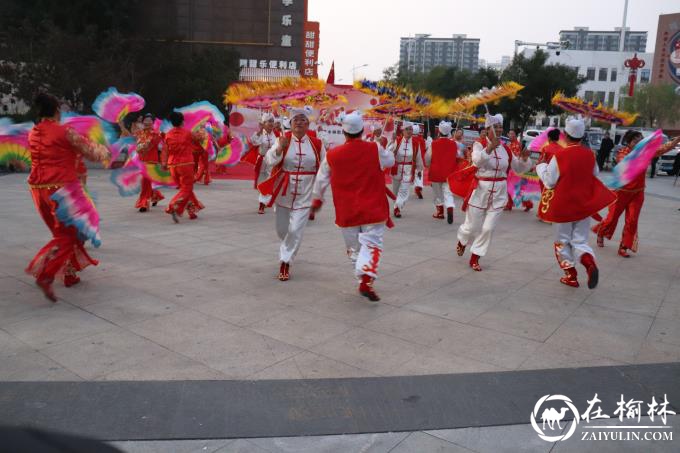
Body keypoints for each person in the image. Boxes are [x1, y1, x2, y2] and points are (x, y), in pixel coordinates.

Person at [25, 93, 110, 301]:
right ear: (56, 111)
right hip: (61, 191)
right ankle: (46, 274)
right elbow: (91, 152)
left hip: (38, 190)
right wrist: (105, 150)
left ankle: (69, 273)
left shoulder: (33, 133)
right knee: (67, 236)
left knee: (61, 234)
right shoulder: (65, 132)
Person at [311, 111, 394, 301]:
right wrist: (383, 147)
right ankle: (366, 279)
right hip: (374, 207)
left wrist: (317, 200)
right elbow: (390, 161)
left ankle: (363, 278)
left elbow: (321, 178)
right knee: (372, 245)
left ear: (344, 131)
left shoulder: (333, 154)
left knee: (355, 249)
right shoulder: (374, 148)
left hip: (347, 210)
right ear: (362, 129)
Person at [536, 118, 616, 289]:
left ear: (565, 135)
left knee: (562, 241)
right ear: (582, 136)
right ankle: (589, 264)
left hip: (563, 205)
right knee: (580, 241)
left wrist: (541, 168)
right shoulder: (590, 155)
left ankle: (571, 275)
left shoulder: (560, 155)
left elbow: (550, 182)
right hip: (583, 205)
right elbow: (595, 173)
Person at [456, 114, 532, 271]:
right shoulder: (479, 145)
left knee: (488, 228)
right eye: (495, 127)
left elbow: (517, 168)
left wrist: (524, 160)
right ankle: (462, 240)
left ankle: (475, 257)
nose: (498, 130)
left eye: (500, 127)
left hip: (499, 192)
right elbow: (477, 161)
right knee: (472, 227)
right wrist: (489, 148)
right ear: (487, 129)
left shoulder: (506, 149)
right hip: (481, 189)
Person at [261, 108, 325, 281]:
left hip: (306, 192)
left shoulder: (317, 143)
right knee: (282, 230)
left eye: (303, 119)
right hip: (284, 190)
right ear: (290, 123)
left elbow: (324, 169)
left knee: (296, 229)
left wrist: (319, 193)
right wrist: (279, 149)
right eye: (295, 119)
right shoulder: (282, 139)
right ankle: (288, 247)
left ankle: (285, 261)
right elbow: (269, 160)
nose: (299, 122)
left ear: (308, 123)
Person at [593, 131, 680, 257]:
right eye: (635, 141)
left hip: (637, 193)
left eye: (640, 140)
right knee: (612, 218)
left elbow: (663, 148)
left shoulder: (646, 152)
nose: (638, 143)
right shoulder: (623, 153)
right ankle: (601, 232)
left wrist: (676, 141)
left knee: (632, 220)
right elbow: (625, 165)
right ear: (628, 143)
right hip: (621, 192)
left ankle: (624, 246)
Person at [163, 111, 205, 223]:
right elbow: (199, 140)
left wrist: (164, 164)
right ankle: (173, 206)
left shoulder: (168, 134)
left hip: (172, 165)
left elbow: (165, 151)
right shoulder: (187, 133)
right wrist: (202, 131)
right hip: (185, 164)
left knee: (185, 189)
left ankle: (192, 211)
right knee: (187, 188)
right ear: (182, 121)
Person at [425, 120, 460, 224]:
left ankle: (440, 212)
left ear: (439, 132)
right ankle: (450, 207)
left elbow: (428, 157)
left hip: (436, 172)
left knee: (437, 193)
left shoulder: (434, 144)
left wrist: (427, 165)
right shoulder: (454, 144)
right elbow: (457, 157)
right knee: (448, 192)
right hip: (449, 172)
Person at [388, 121, 424, 218]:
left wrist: (419, 170)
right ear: (402, 131)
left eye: (410, 129)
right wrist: (392, 142)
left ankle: (397, 208)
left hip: (408, 170)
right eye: (407, 129)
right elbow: (388, 152)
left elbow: (419, 157)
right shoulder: (397, 140)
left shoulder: (416, 143)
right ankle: (397, 204)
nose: (409, 131)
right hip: (396, 169)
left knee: (404, 190)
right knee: (395, 191)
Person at [133, 114, 165, 212]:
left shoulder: (156, 133)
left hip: (152, 161)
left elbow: (164, 142)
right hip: (142, 161)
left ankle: (143, 203)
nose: (147, 122)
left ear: (152, 122)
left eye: (149, 120)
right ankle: (156, 196)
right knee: (147, 183)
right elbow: (135, 144)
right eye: (145, 120)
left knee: (144, 182)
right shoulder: (139, 133)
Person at [250, 113, 277, 214]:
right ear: (264, 123)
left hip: (273, 162)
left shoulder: (276, 134)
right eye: (268, 121)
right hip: (262, 161)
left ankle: (262, 204)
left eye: (272, 121)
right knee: (261, 182)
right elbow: (254, 142)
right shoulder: (261, 134)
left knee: (269, 181)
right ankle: (264, 201)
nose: (271, 123)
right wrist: (260, 131)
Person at [504, 129, 533, 212]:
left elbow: (515, 158)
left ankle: (511, 205)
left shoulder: (516, 145)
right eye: (510, 134)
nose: (511, 135)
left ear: (515, 135)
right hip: (512, 168)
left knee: (513, 188)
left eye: (512, 134)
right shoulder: (511, 144)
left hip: (514, 169)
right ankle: (527, 204)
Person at [412, 124, 426, 199]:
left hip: (411, 160)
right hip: (420, 159)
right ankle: (418, 186)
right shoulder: (422, 139)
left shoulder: (409, 139)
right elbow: (424, 149)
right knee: (419, 174)